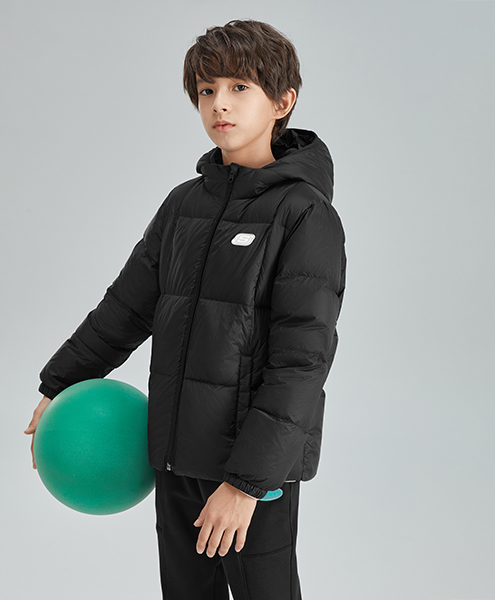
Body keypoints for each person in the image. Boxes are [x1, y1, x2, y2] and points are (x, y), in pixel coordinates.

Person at [25, 19, 347, 600]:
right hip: (176, 458)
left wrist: (246, 485)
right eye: (206, 90)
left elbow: (301, 363)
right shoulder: (183, 205)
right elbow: (125, 309)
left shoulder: (305, 215)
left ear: (282, 102)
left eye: (239, 87)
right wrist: (61, 383)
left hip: (252, 475)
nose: (219, 103)